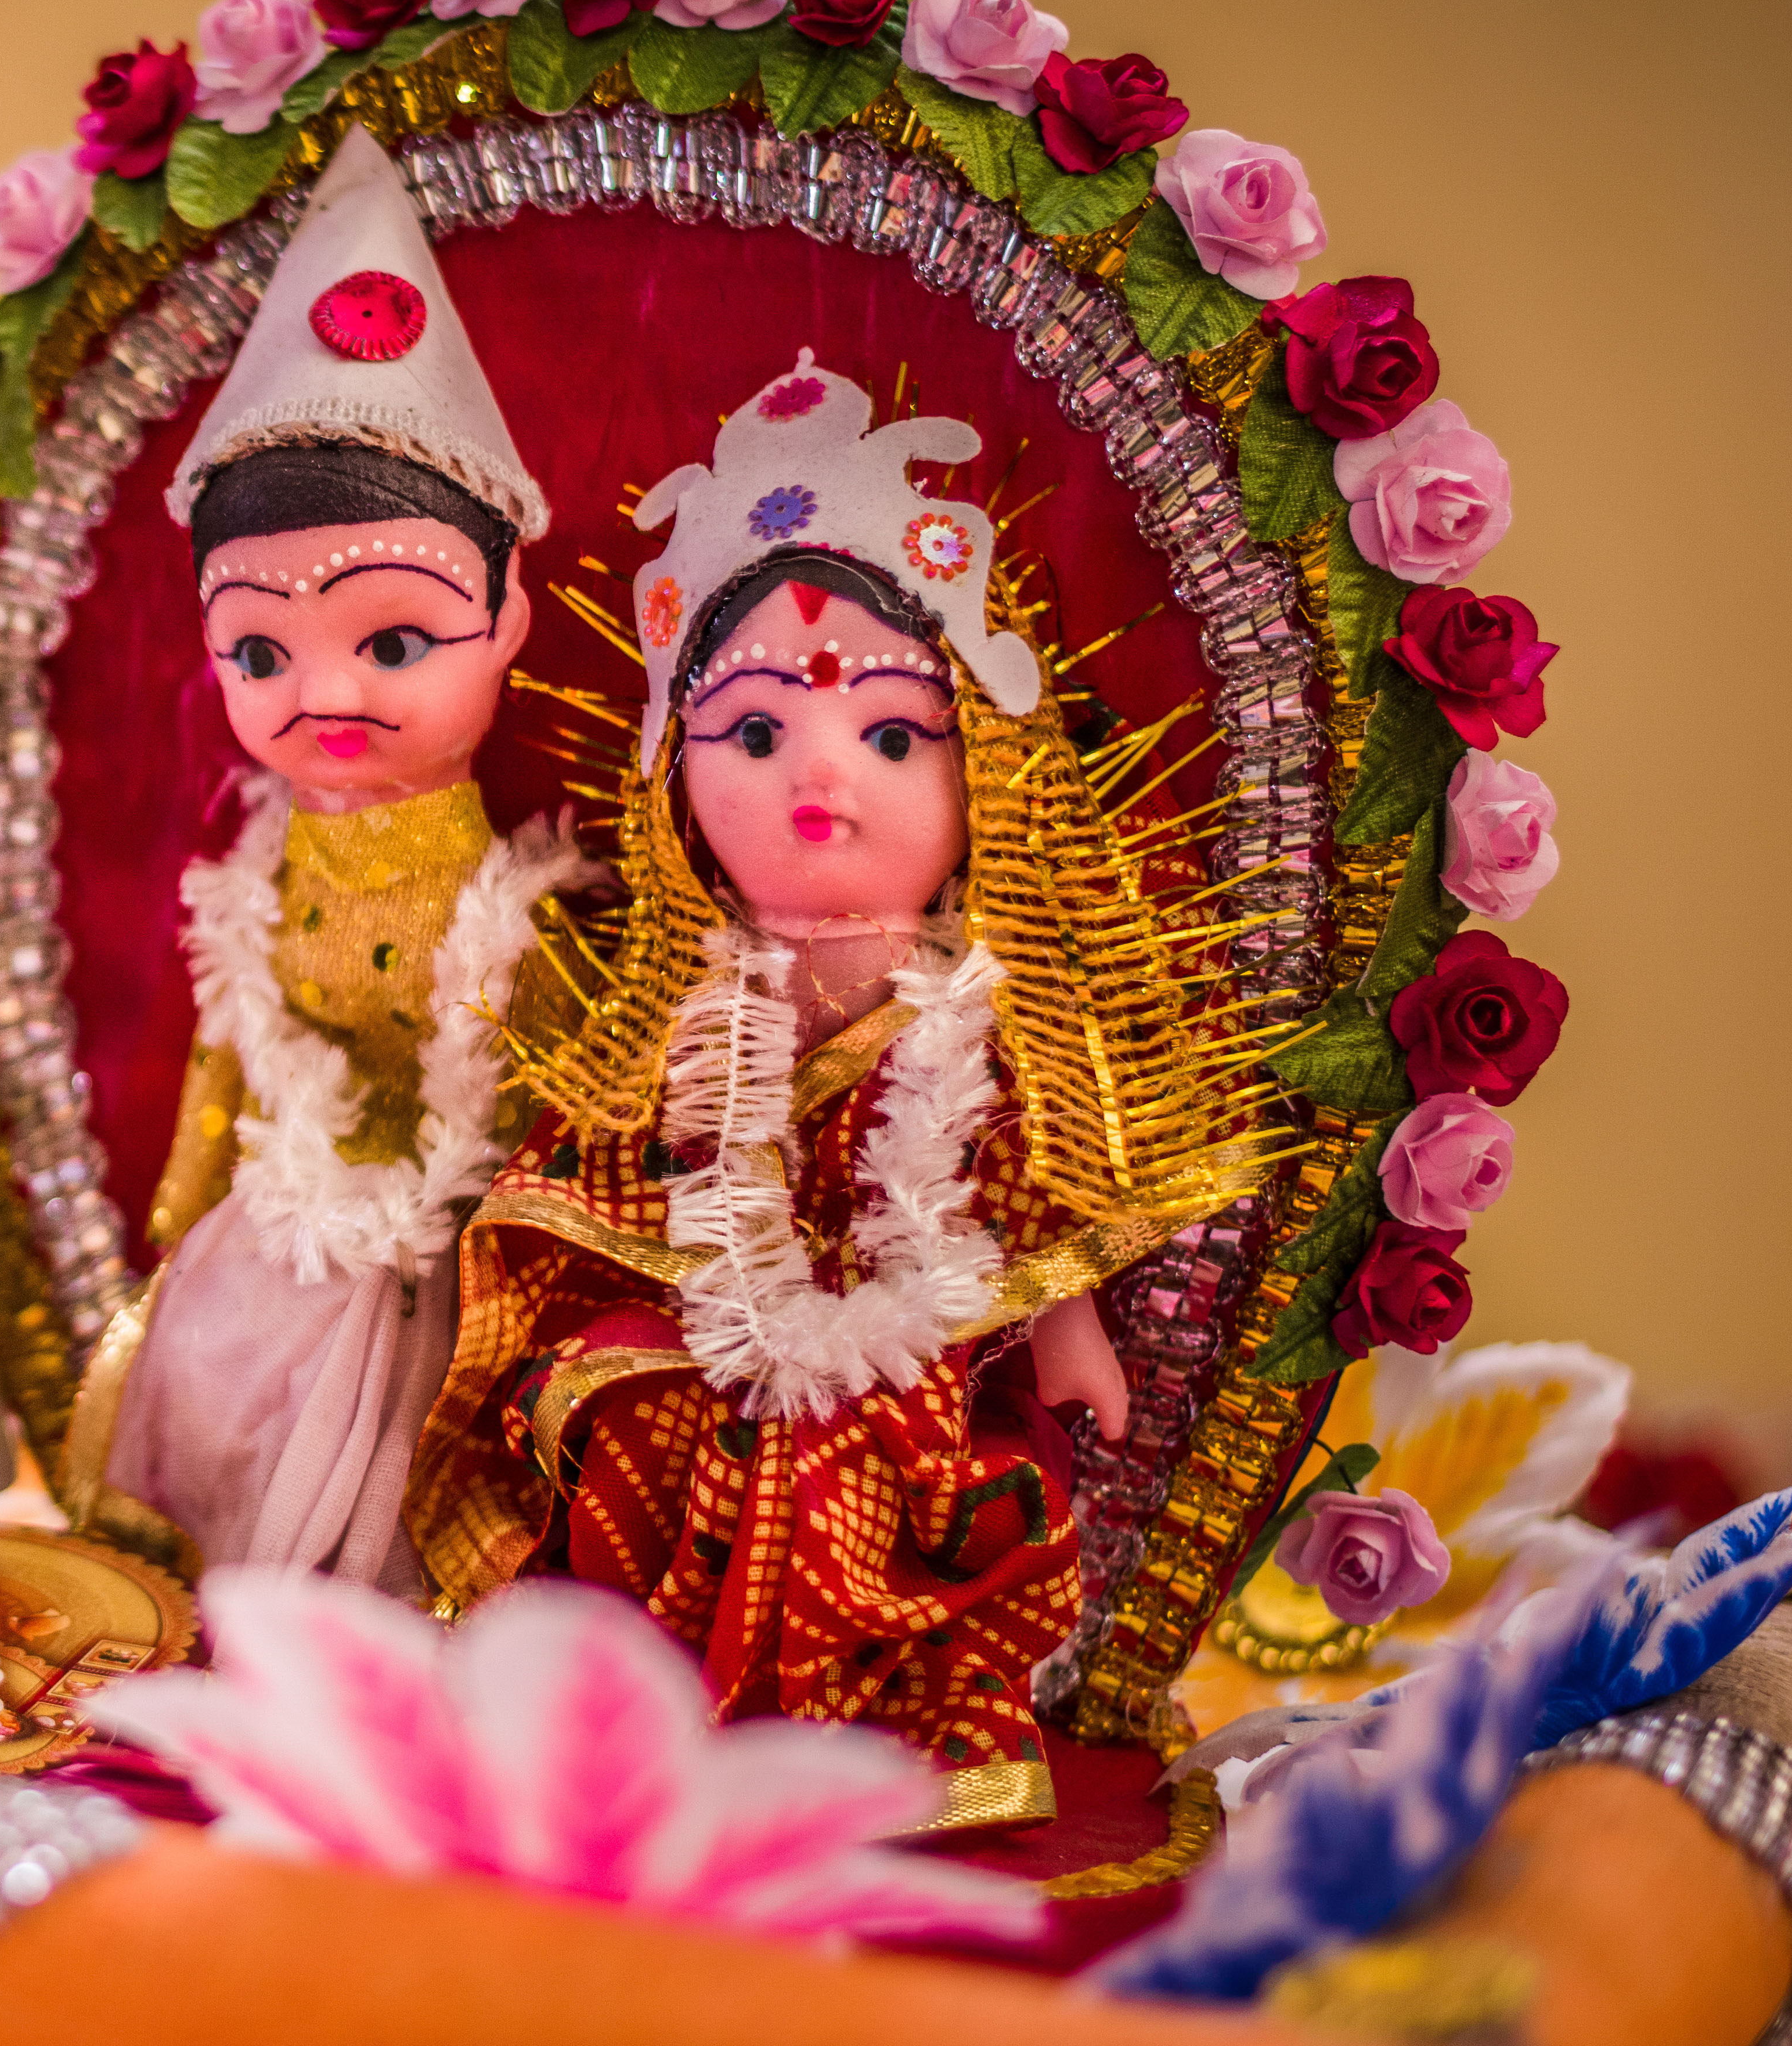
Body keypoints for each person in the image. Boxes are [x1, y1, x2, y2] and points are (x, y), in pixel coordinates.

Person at [408, 353, 1258, 1820]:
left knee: (840, 1455)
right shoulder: (701, 987)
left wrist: (1068, 1334)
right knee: (626, 1416)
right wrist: (656, 1171)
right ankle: (634, 1717)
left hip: (907, 1354)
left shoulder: (977, 1006)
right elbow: (597, 1167)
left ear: (978, 770)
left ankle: (849, 1739)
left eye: (887, 732)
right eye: (750, 732)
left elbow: (1026, 1182)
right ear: (677, 781)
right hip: (699, 1314)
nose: (822, 776)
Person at [59, 132, 587, 1600]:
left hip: (440, 1258)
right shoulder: (259, 859)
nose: (324, 694)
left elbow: (547, 1107)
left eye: (396, 641)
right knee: (204, 1382)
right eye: (255, 651)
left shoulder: (514, 910)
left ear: (508, 618)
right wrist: (176, 1220)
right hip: (272, 1224)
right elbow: (234, 1052)